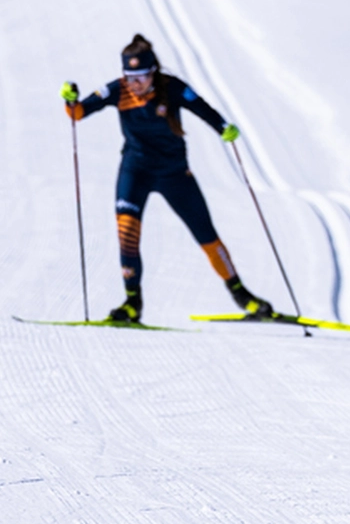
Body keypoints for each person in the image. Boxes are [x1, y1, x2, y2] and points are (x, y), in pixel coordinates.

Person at [62, 35, 273, 324]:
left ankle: (242, 295)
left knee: (206, 234)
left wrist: (224, 128)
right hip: (135, 171)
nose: (135, 84)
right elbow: (78, 113)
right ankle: (132, 303)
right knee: (126, 234)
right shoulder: (118, 90)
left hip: (174, 173)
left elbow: (202, 108)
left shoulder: (171, 88)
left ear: (153, 73)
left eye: (141, 76)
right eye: (129, 76)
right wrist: (69, 99)